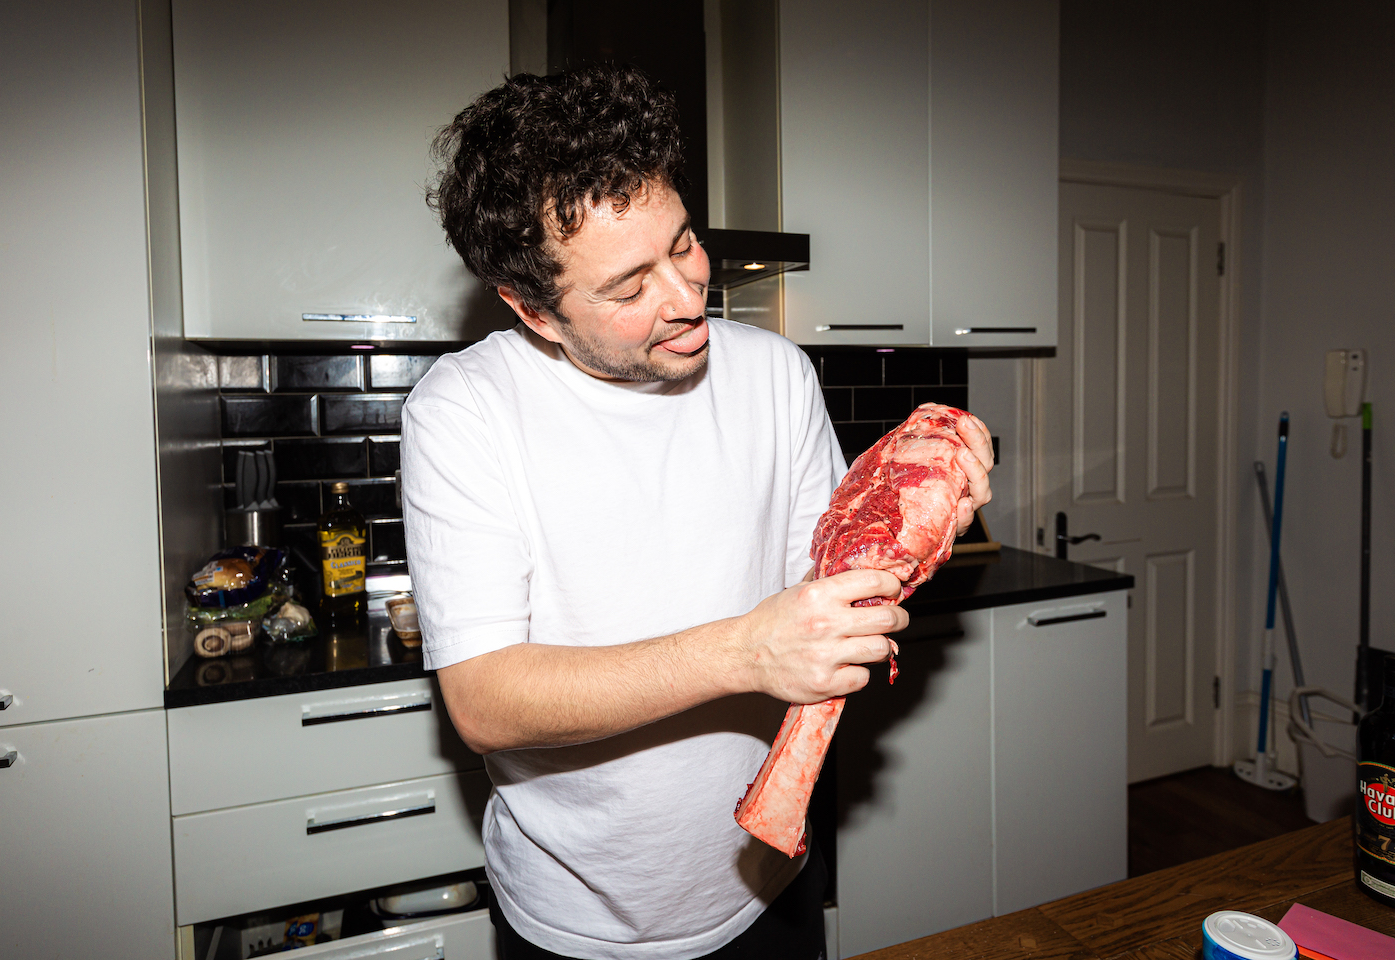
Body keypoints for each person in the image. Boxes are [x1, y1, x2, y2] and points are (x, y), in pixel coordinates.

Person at [401, 64, 993, 960]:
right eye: (628, 288)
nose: (687, 299)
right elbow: (485, 702)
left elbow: (832, 599)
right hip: (576, 925)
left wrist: (922, 512)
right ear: (534, 311)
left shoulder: (776, 374)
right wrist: (745, 650)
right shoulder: (463, 411)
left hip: (768, 885)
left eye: (681, 245)